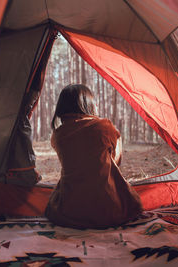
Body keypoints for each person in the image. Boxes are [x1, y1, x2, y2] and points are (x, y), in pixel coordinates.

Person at [45, 84, 143, 229]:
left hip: (69, 212)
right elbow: (117, 160)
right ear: (89, 105)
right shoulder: (105, 127)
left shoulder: (58, 135)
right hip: (109, 210)